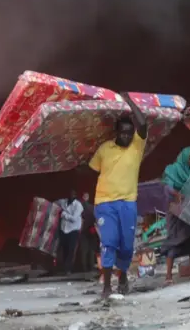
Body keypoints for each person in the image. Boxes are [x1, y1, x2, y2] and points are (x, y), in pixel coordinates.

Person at [85, 92, 147, 298]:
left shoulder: (137, 147)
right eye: (123, 133)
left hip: (128, 203)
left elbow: (143, 123)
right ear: (116, 132)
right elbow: (90, 170)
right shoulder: (104, 149)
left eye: (130, 133)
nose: (127, 137)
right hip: (104, 203)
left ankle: (122, 276)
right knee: (109, 242)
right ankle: (106, 287)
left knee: (127, 245)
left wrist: (129, 101)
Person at [161, 147, 190, 285]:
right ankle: (168, 276)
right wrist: (177, 194)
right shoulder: (172, 169)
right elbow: (167, 187)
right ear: (185, 157)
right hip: (175, 210)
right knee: (174, 239)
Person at [56, 190, 83, 274]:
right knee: (64, 249)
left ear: (75, 196)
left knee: (71, 250)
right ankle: (64, 268)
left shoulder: (78, 205)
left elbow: (74, 219)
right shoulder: (63, 201)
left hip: (73, 230)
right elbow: (54, 203)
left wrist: (63, 214)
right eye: (69, 194)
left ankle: (68, 269)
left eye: (72, 194)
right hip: (64, 229)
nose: (70, 196)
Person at [78, 192, 97, 272]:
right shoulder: (92, 207)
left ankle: (84, 268)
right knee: (91, 250)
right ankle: (90, 267)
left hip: (84, 231)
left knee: (85, 250)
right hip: (91, 231)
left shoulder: (79, 207)